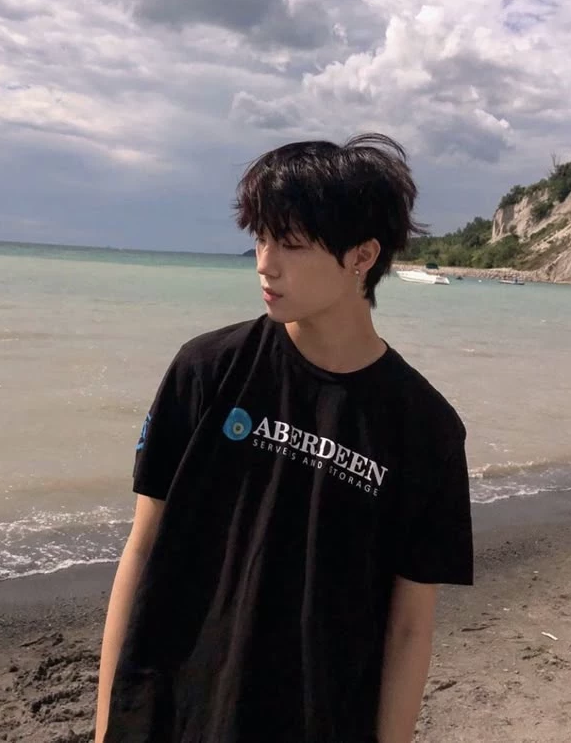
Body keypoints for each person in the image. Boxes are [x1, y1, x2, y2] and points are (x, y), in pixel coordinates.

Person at [95, 133, 473, 743]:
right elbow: (142, 550)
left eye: (291, 244)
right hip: (179, 714)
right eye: (260, 238)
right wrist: (108, 725)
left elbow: (409, 627)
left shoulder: (425, 428)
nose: (265, 263)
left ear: (362, 255)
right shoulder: (207, 370)